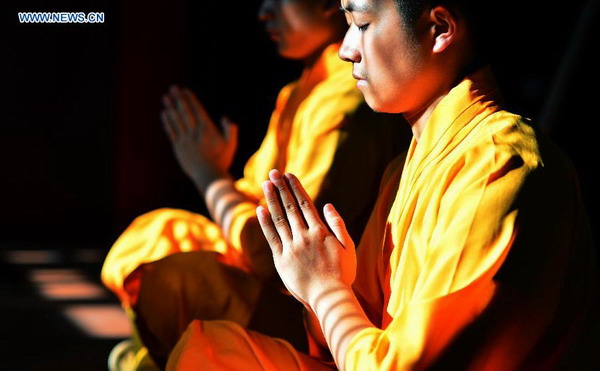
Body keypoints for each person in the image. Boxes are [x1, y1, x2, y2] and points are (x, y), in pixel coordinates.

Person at [167, 0, 600, 369]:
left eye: (362, 24)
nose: (345, 50)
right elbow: (346, 335)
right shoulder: (406, 167)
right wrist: (319, 276)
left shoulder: (500, 166)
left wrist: (325, 290)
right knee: (211, 349)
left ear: (439, 29)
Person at [102, 0, 409, 368]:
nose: (263, 12)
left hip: (312, 310)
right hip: (292, 280)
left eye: (361, 24)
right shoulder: (299, 91)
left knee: (174, 281)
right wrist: (216, 177)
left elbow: (281, 251)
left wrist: (211, 177)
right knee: (161, 232)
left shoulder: (350, 97)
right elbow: (255, 201)